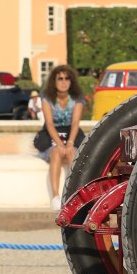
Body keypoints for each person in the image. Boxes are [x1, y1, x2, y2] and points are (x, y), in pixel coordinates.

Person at [39, 63, 86, 211]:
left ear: (71, 81)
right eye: (60, 78)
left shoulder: (77, 99)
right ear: (54, 81)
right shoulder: (47, 98)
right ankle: (55, 197)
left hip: (71, 135)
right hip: (52, 137)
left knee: (72, 153)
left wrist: (70, 143)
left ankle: (73, 196)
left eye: (67, 78)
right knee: (56, 153)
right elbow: (49, 124)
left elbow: (75, 123)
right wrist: (60, 144)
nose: (64, 82)